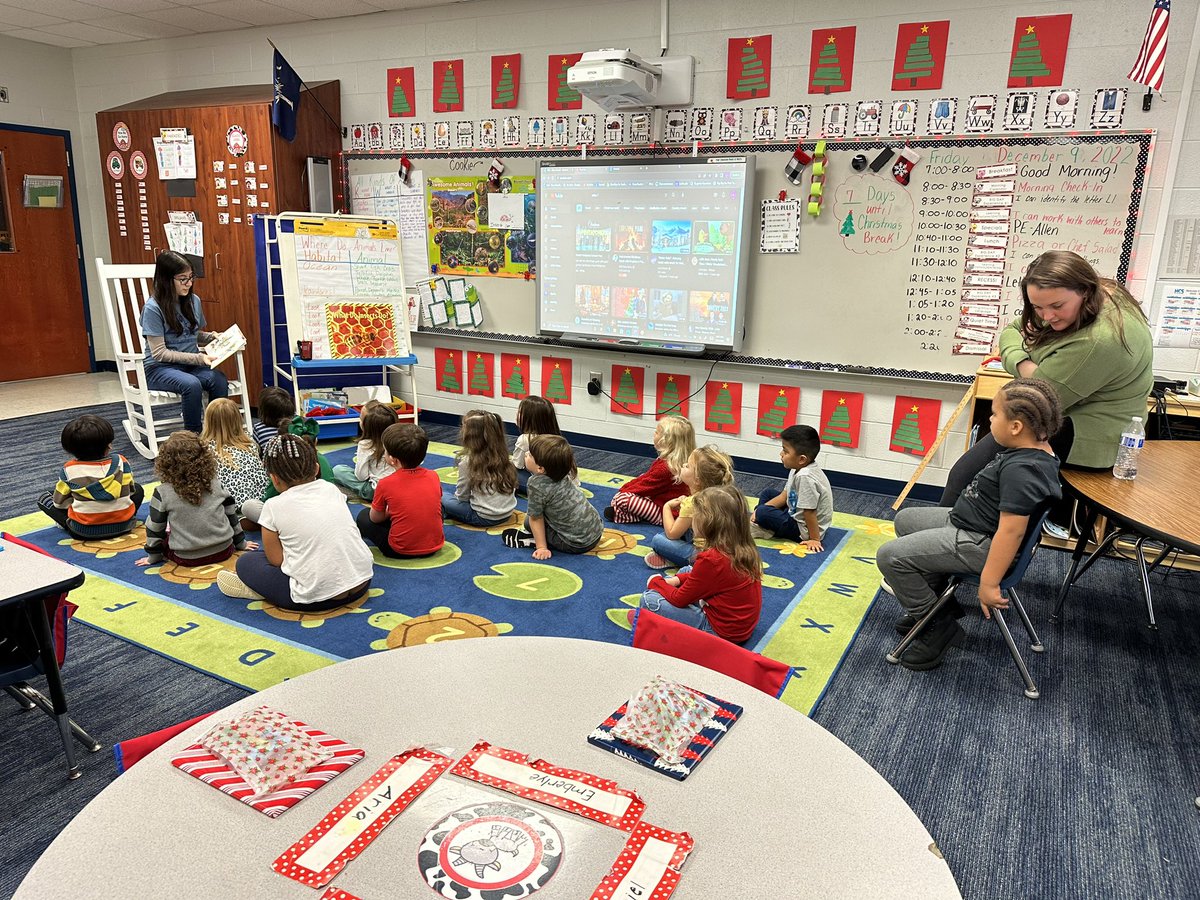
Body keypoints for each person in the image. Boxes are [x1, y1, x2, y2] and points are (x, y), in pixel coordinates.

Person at [942, 251, 1153, 516]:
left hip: (1089, 433)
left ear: (1085, 291)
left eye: (1056, 306)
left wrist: (1023, 361)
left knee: (966, 477)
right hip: (1071, 411)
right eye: (1038, 307)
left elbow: (1037, 398)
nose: (1047, 316)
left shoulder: (1099, 340)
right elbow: (1012, 330)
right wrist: (1025, 363)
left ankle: (952, 542)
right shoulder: (1094, 295)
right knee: (973, 474)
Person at [877, 378, 1063, 671]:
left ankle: (938, 626)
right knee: (906, 520)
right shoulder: (1031, 449)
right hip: (970, 524)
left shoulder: (1024, 470)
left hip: (979, 542)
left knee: (890, 556)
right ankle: (935, 604)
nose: (990, 420)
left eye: (995, 414)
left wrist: (989, 583)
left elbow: (1011, 531)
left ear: (1016, 427)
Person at [217, 434, 374, 610]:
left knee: (246, 562)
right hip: (362, 581)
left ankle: (264, 591)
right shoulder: (331, 489)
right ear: (316, 469)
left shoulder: (273, 506)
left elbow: (276, 561)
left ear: (274, 479)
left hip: (318, 598)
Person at [639, 484, 763, 643]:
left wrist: (656, 582)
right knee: (687, 570)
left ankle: (659, 624)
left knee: (649, 600)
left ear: (708, 522)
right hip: (740, 626)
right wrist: (677, 580)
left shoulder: (712, 558)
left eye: (694, 517)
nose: (692, 522)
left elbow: (678, 599)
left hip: (722, 633)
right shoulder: (742, 545)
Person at [140, 251, 229, 432]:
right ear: (166, 280)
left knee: (219, 379)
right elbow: (159, 353)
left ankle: (219, 433)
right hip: (159, 368)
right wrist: (198, 358)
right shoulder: (152, 308)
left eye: (191, 277)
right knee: (191, 384)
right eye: (183, 279)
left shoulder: (193, 300)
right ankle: (193, 436)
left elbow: (190, 334)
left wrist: (212, 337)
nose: (189, 283)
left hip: (189, 367)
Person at [135, 431, 254, 568]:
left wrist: (154, 556)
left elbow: (155, 527)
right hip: (224, 550)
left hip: (187, 557)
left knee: (166, 534)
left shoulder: (162, 492)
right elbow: (231, 514)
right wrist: (241, 543)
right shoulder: (215, 483)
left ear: (164, 463)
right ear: (204, 458)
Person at [37, 414, 144, 539]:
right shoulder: (121, 461)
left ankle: (68, 523)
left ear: (69, 449)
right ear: (109, 445)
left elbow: (59, 504)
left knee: (45, 498)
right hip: (125, 526)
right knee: (138, 489)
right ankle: (119, 517)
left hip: (83, 532)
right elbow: (130, 491)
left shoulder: (69, 469)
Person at [502, 434, 603, 559]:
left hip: (575, 544)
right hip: (596, 531)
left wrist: (542, 548)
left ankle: (534, 541)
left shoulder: (536, 484)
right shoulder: (561, 471)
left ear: (540, 468)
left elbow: (536, 517)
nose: (526, 453)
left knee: (528, 521)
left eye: (530, 454)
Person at [356, 423, 444, 558]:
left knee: (363, 516)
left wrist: (391, 511)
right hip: (434, 545)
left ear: (392, 460)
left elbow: (375, 518)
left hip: (398, 549)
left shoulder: (385, 483)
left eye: (385, 451)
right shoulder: (434, 475)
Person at [646, 444, 735, 569]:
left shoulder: (693, 503)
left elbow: (672, 534)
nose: (683, 465)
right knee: (686, 530)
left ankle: (679, 561)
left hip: (705, 557)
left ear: (697, 480)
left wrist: (667, 507)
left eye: (687, 466)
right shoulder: (721, 497)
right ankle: (675, 559)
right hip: (728, 553)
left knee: (658, 540)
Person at [241, 416, 338, 525]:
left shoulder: (281, 464)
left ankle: (272, 525)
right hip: (326, 512)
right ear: (315, 441)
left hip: (293, 518)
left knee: (249, 506)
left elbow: (268, 499)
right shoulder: (322, 460)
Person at [750, 424, 833, 552]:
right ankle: (760, 520)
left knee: (763, 512)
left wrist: (815, 539)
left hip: (803, 529)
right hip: (795, 511)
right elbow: (784, 496)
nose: (781, 454)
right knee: (768, 494)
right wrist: (760, 510)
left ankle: (763, 524)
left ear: (801, 459)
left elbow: (809, 512)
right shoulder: (798, 468)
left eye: (786, 451)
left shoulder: (805, 477)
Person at [606, 415, 694, 525]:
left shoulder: (666, 468)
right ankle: (633, 513)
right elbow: (646, 479)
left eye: (657, 432)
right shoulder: (676, 461)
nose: (654, 434)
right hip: (662, 502)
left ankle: (623, 516)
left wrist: (620, 493)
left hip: (669, 514)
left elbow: (643, 486)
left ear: (666, 441)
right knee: (640, 481)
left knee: (623, 499)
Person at [442, 410, 518, 527]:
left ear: (470, 436)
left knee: (441, 496)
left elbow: (462, 497)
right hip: (507, 513)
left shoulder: (467, 463)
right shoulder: (504, 457)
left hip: (482, 518)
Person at [200, 397, 269, 515]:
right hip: (260, 504)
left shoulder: (204, 451)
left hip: (226, 509)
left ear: (208, 422)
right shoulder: (250, 443)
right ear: (238, 420)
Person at [332, 401, 399, 502]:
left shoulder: (366, 444)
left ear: (367, 426)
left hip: (376, 491)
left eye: (361, 419)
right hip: (399, 488)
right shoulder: (399, 441)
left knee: (338, 470)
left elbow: (361, 476)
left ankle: (357, 494)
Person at [511, 396, 575, 493]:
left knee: (508, 472)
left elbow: (517, 466)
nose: (516, 414)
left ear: (530, 418)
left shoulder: (524, 439)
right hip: (568, 483)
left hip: (549, 487)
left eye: (519, 412)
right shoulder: (556, 437)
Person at [252, 387, 295, 452]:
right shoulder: (297, 426)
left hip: (269, 461)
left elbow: (256, 451)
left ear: (263, 411)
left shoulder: (258, 428)